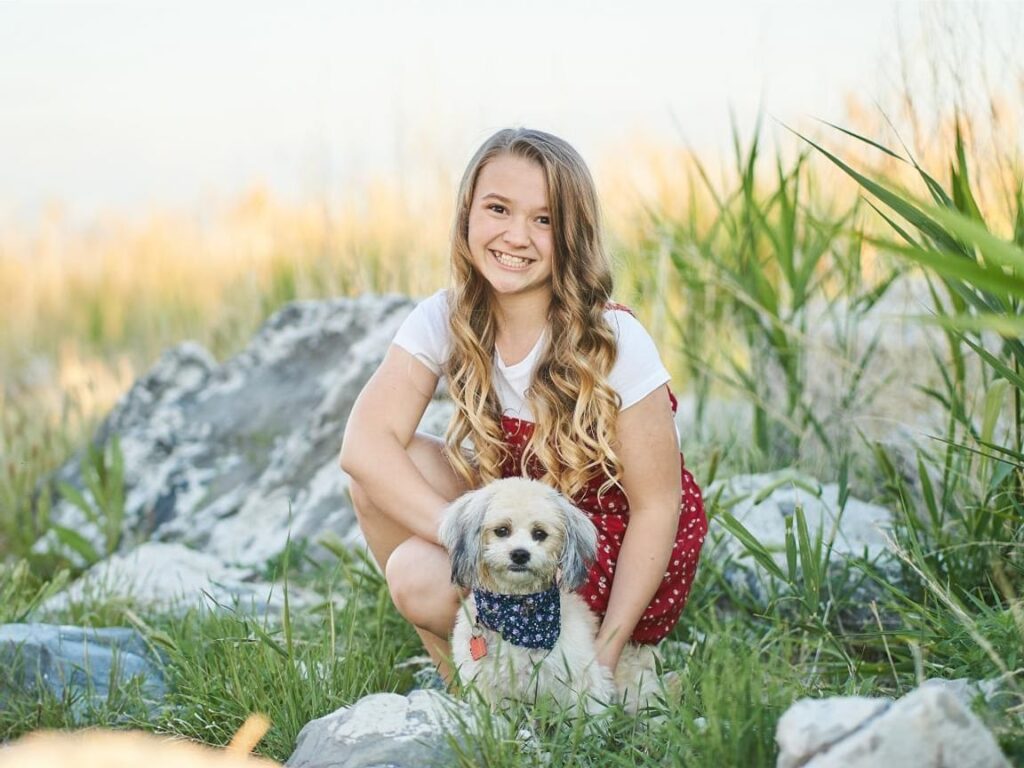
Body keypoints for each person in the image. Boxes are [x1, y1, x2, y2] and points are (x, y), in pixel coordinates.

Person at [339, 127, 707, 685]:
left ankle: (572, 662)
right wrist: (462, 537)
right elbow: (363, 446)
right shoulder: (448, 316)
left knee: (415, 573)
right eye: (498, 209)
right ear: (467, 212)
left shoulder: (613, 340)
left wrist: (601, 661)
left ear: (573, 235)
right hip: (512, 523)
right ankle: (465, 679)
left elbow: (657, 508)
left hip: (592, 544)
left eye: (544, 220)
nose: (516, 235)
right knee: (382, 472)